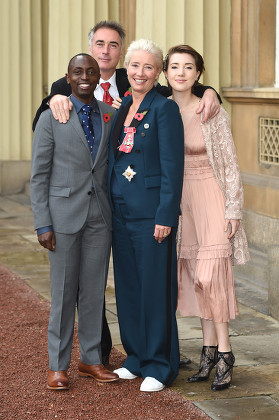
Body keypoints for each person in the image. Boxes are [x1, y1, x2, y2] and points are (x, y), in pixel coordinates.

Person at [163, 45, 250, 391]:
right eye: (174, 67)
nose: (181, 73)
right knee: (196, 280)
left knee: (210, 274)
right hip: (183, 202)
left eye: (188, 67)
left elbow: (230, 164)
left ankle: (226, 353)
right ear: (165, 73)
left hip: (212, 196)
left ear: (199, 74)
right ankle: (208, 351)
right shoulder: (162, 108)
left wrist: (234, 210)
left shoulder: (210, 110)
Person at [30, 53, 119, 390]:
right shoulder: (52, 117)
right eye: (78, 72)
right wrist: (42, 223)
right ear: (67, 78)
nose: (85, 76)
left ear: (99, 77)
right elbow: (38, 174)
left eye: (91, 72)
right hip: (63, 218)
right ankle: (58, 365)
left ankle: (91, 359)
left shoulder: (110, 115)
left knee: (95, 292)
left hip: (100, 218)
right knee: (64, 293)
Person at [108, 39, 184, 392]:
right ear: (127, 68)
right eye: (135, 65)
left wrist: (166, 215)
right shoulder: (123, 103)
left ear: (158, 73)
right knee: (128, 287)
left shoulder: (164, 109)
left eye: (148, 67)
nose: (140, 73)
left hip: (152, 214)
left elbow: (173, 167)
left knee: (155, 289)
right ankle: (136, 357)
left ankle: (159, 364)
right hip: (120, 211)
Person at [32, 21, 221, 131]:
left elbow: (177, 89)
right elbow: (40, 127)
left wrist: (209, 92)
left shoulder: (136, 81)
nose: (105, 51)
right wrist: (52, 99)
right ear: (90, 48)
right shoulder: (63, 87)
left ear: (121, 53)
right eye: (100, 44)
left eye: (113, 45)